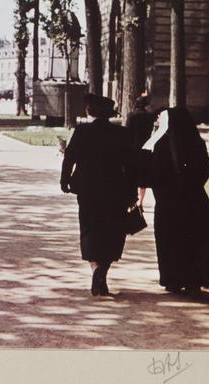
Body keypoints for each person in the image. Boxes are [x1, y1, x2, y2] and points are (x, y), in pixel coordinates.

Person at [140, 108, 209, 294]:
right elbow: (205, 169)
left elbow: (150, 172)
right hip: (193, 199)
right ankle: (194, 280)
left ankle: (172, 279)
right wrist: (193, 185)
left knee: (169, 242)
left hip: (167, 202)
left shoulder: (161, 144)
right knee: (193, 240)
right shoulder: (196, 142)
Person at [60, 94, 136, 296]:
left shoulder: (82, 131)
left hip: (87, 189)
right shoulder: (122, 133)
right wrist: (132, 192)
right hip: (115, 189)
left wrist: (65, 180)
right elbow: (131, 165)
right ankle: (103, 270)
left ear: (89, 111)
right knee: (113, 231)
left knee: (89, 229)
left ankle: (96, 270)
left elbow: (70, 157)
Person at [126, 92, 156, 205]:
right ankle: (141, 202)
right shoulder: (149, 117)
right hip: (145, 149)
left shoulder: (131, 116)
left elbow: (127, 132)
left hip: (133, 149)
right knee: (143, 177)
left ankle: (133, 201)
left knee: (132, 175)